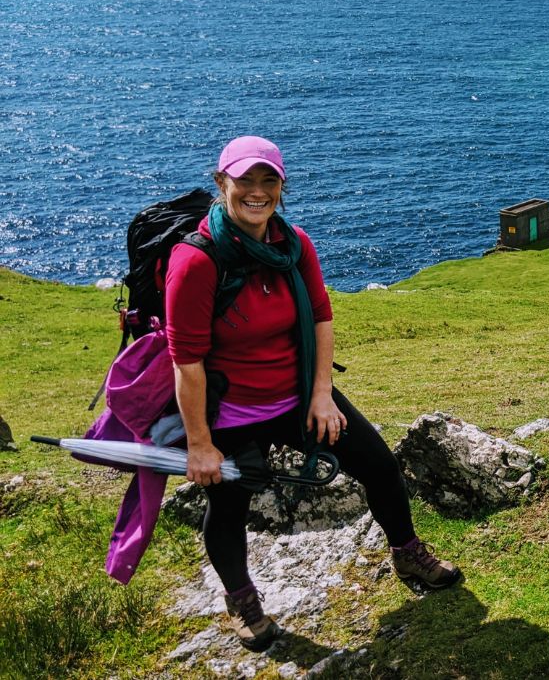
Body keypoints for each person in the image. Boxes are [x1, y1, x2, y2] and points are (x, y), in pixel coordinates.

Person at [166, 135, 461, 652]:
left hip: (299, 395)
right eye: (245, 180)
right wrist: (200, 443)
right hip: (230, 411)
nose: (256, 192)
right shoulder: (196, 261)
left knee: (378, 464)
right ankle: (241, 600)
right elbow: (186, 361)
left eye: (268, 181)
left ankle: (407, 551)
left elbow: (321, 317)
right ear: (222, 183)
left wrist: (322, 395)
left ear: (281, 187)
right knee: (228, 504)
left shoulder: (293, 244)